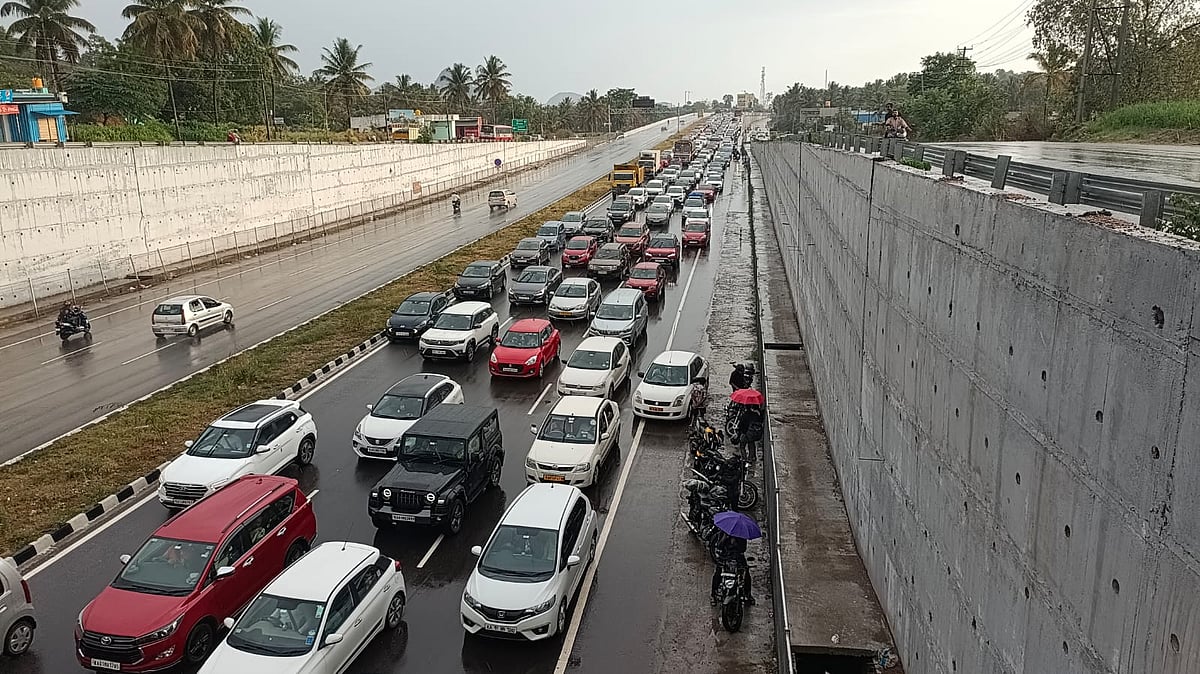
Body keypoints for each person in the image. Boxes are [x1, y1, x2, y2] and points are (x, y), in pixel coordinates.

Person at [710, 531, 753, 605]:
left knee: (746, 573)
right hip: (725, 557)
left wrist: (736, 542)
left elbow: (743, 549)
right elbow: (719, 546)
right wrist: (725, 538)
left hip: (737, 558)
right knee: (718, 573)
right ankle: (713, 594)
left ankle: (748, 594)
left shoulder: (741, 535)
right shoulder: (722, 533)